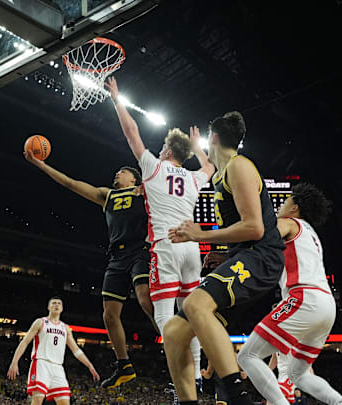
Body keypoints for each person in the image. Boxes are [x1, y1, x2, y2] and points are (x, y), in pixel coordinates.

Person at [164, 111, 285, 405]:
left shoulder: (239, 166)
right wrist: (196, 147)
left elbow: (254, 227)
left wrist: (200, 235)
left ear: (213, 137)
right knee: (173, 332)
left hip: (261, 257)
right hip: (244, 256)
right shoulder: (222, 169)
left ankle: (237, 396)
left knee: (195, 303)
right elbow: (209, 163)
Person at [105, 77, 215, 390]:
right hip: (192, 250)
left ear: (167, 150)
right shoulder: (194, 177)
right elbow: (211, 169)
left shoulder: (153, 167)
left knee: (165, 315)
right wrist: (199, 151)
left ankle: (181, 376)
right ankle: (196, 378)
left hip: (165, 246)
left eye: (164, 145)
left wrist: (116, 98)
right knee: (189, 312)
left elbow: (131, 132)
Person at [23, 151, 155, 389]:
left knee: (145, 298)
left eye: (122, 172)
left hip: (140, 250)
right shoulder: (107, 195)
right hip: (117, 256)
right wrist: (40, 164)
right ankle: (124, 365)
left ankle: (174, 338)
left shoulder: (143, 191)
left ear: (134, 179)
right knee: (108, 315)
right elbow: (70, 183)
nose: (117, 174)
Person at [236, 184, 342, 405]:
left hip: (304, 298)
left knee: (247, 356)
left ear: (294, 207)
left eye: (285, 201)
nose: (280, 206)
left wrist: (225, 252)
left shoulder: (288, 223)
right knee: (299, 374)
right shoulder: (312, 234)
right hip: (326, 304)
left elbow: (259, 238)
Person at [7, 297, 100, 405]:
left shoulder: (65, 328)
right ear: (48, 307)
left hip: (58, 367)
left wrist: (89, 365)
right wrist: (14, 362)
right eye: (54, 303)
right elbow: (25, 342)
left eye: (59, 303)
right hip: (41, 363)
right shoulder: (40, 322)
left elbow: (76, 350)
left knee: (65, 402)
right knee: (37, 401)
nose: (56, 305)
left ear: (62, 308)